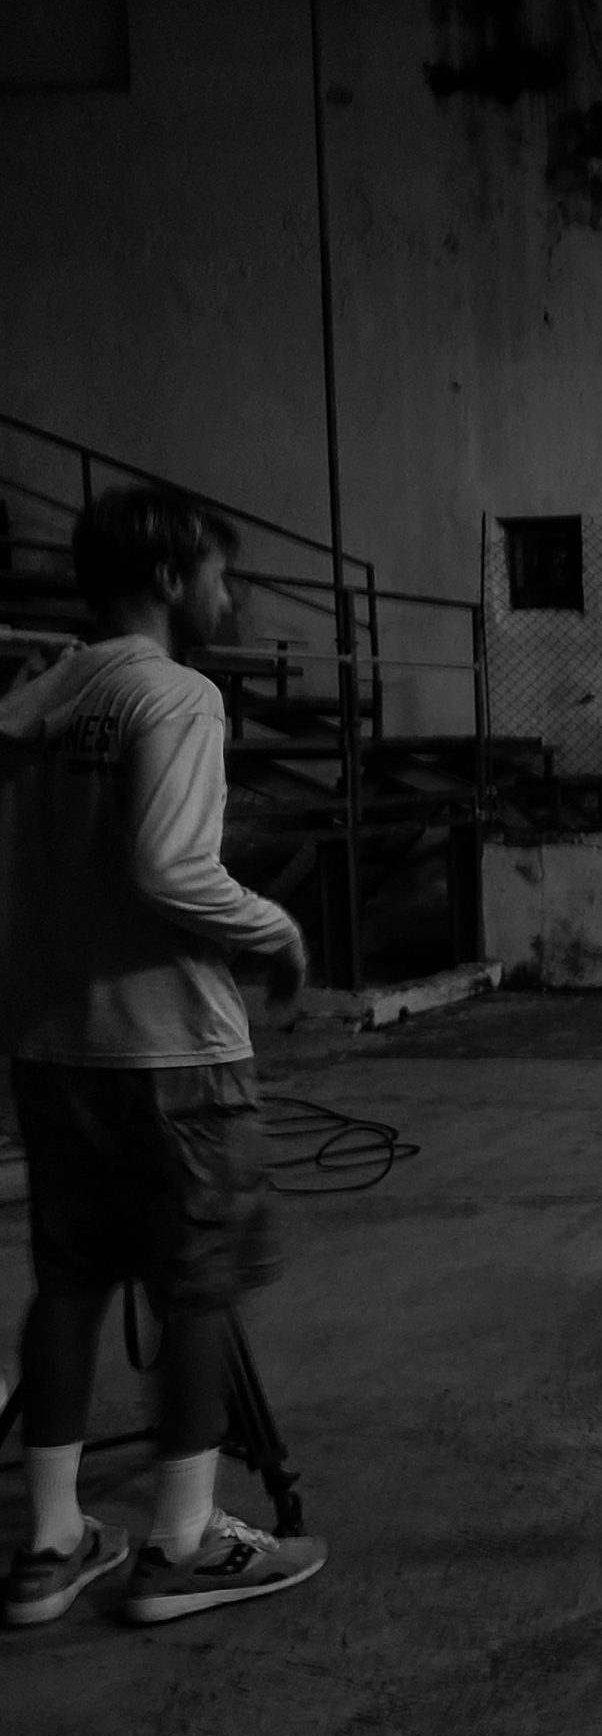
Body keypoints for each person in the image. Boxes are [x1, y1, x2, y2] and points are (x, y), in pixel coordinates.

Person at [0, 487, 327, 1627]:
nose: (227, 596)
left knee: (70, 1286)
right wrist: (275, 934)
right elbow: (170, 868)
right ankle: (182, 1542)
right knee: (200, 1288)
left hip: (53, 1049)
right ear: (171, 578)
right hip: (171, 1053)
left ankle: (51, 1543)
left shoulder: (39, 701)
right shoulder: (175, 696)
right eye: (219, 575)